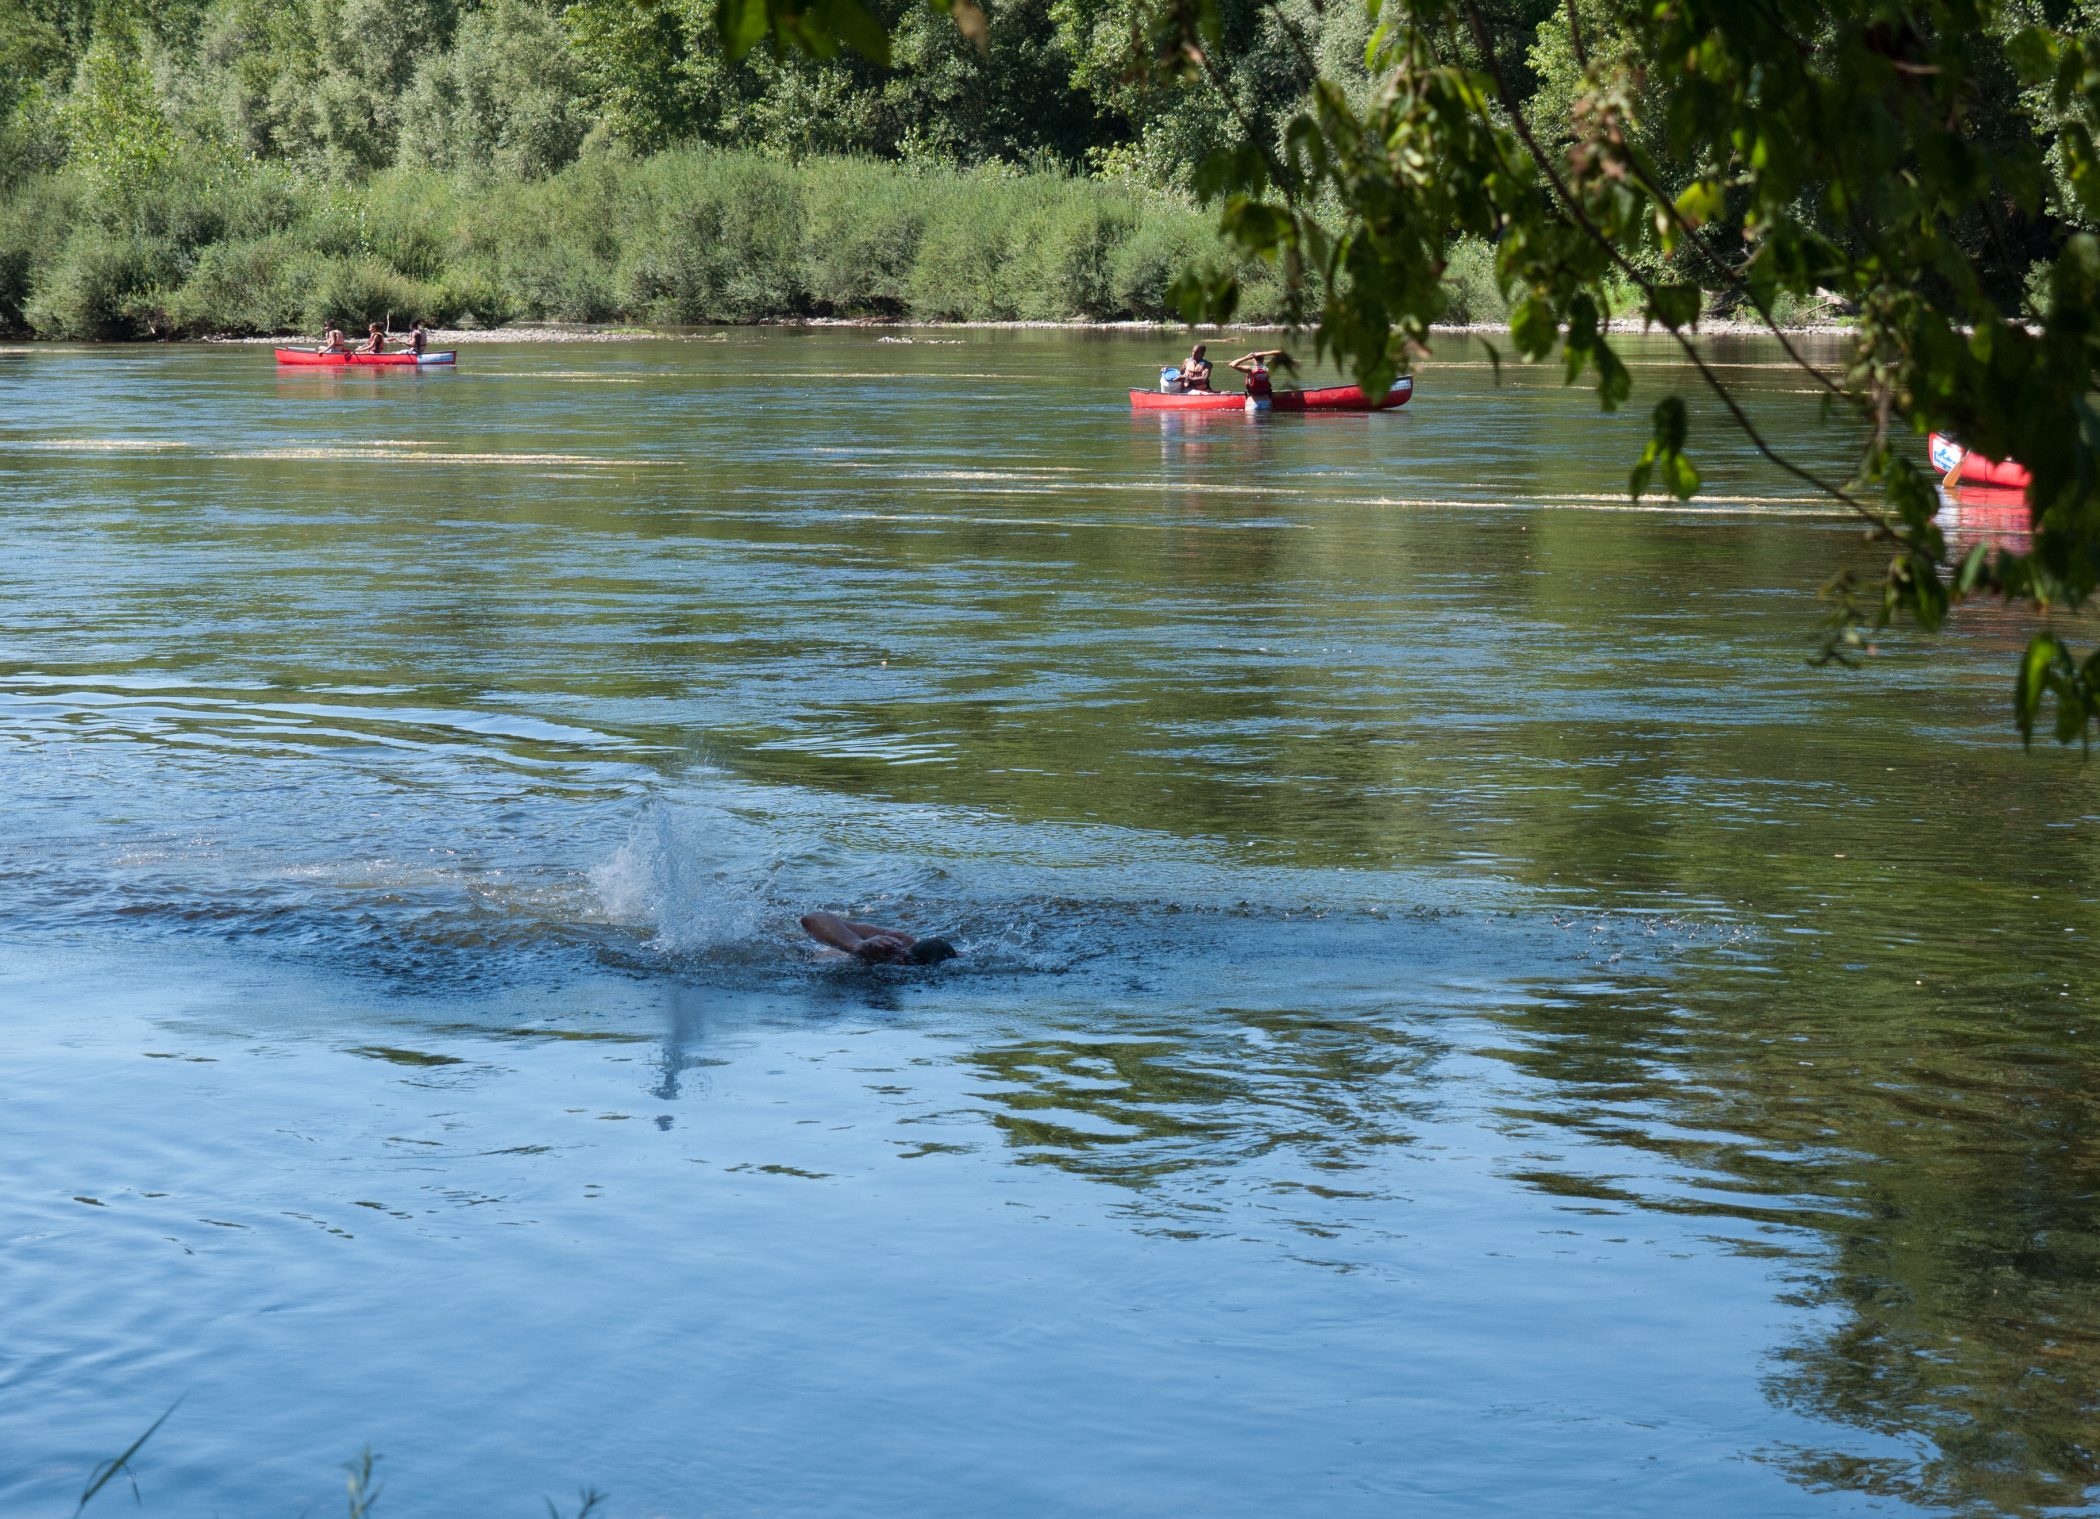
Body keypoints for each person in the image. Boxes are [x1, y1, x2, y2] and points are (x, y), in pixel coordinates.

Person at [801, 911, 958, 966]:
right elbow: (813, 918)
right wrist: (857, 945)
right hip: (808, 955)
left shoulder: (949, 960)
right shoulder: (890, 942)